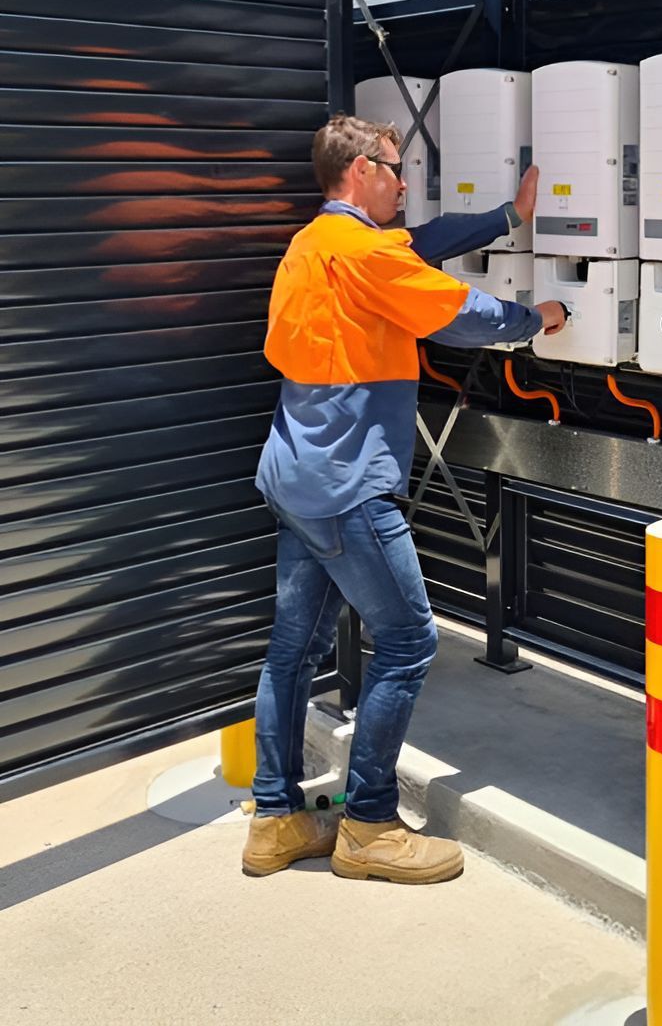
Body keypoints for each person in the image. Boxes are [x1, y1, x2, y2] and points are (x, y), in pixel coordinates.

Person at [241, 114, 566, 883]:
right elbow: (457, 312)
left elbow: (425, 241)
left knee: (293, 650)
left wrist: (507, 218)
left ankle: (275, 819)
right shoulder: (367, 254)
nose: (403, 182)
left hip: (295, 480)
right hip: (350, 489)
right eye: (394, 167)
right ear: (360, 171)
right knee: (411, 641)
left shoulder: (315, 245)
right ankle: (370, 826)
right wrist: (537, 320)